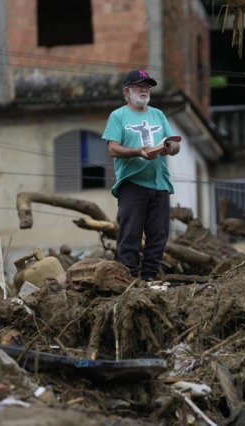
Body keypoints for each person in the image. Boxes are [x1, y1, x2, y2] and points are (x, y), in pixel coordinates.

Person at [102, 69, 180, 281]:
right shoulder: (118, 116)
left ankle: (148, 279)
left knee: (159, 235)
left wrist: (170, 147)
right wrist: (138, 152)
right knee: (130, 234)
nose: (144, 90)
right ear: (127, 91)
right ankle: (129, 280)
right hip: (132, 184)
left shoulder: (158, 114)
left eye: (147, 86)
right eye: (139, 86)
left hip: (160, 183)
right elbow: (112, 149)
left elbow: (173, 144)